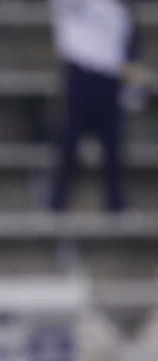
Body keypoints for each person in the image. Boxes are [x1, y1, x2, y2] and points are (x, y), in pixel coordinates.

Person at [48, 0, 145, 212]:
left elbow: (131, 48)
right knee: (68, 142)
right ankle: (57, 202)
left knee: (113, 145)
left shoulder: (120, 11)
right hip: (80, 72)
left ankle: (116, 203)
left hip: (110, 77)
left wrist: (133, 89)